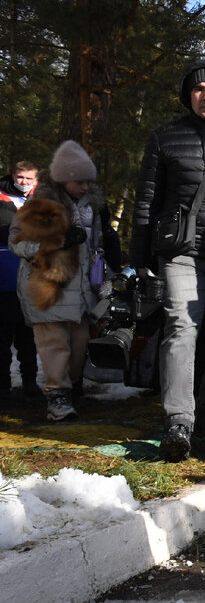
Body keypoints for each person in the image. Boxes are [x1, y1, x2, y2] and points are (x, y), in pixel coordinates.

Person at [131, 59, 205, 462]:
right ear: (188, 94)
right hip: (182, 254)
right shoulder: (165, 136)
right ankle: (179, 422)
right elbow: (146, 198)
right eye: (198, 88)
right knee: (182, 329)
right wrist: (139, 256)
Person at [10, 141, 121, 421]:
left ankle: (70, 390)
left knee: (79, 347)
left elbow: (98, 247)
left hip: (83, 289)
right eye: (79, 181)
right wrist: (58, 242)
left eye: (88, 181)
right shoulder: (39, 204)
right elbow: (17, 243)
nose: (85, 186)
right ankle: (57, 399)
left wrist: (107, 275)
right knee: (54, 346)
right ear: (65, 178)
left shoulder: (95, 208)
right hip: (48, 286)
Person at [0, 160, 40, 398]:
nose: (23, 182)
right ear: (13, 175)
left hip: (32, 276)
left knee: (28, 336)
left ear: (36, 179)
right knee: (2, 337)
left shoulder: (43, 199)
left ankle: (30, 383)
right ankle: (3, 385)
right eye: (20, 177)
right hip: (3, 274)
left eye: (28, 178)